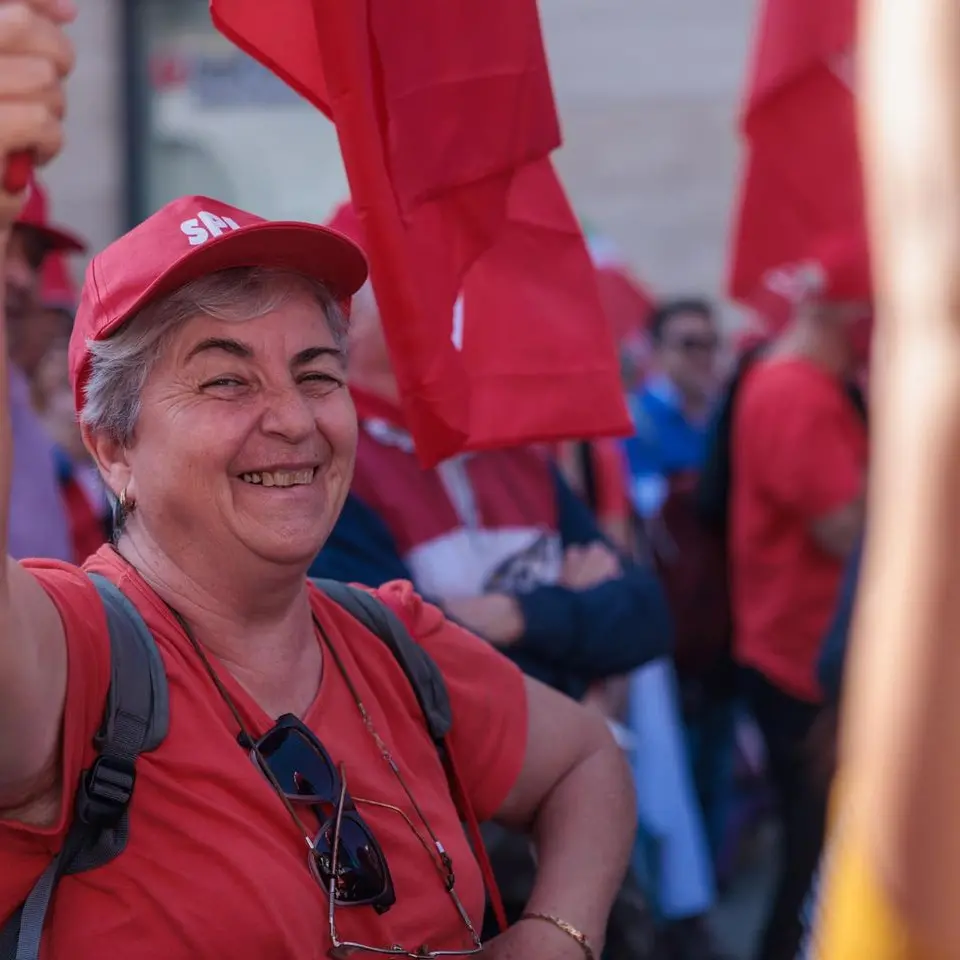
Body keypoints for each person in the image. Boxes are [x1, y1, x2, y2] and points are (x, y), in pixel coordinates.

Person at [0, 9, 637, 958]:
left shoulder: (393, 638)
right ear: (111, 447)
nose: (293, 417)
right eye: (225, 379)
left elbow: (590, 758)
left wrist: (555, 934)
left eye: (315, 373)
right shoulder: (71, 656)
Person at [729, 278, 869, 960]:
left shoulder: (808, 386)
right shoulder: (794, 391)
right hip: (805, 664)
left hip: (810, 654)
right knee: (818, 857)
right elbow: (844, 531)